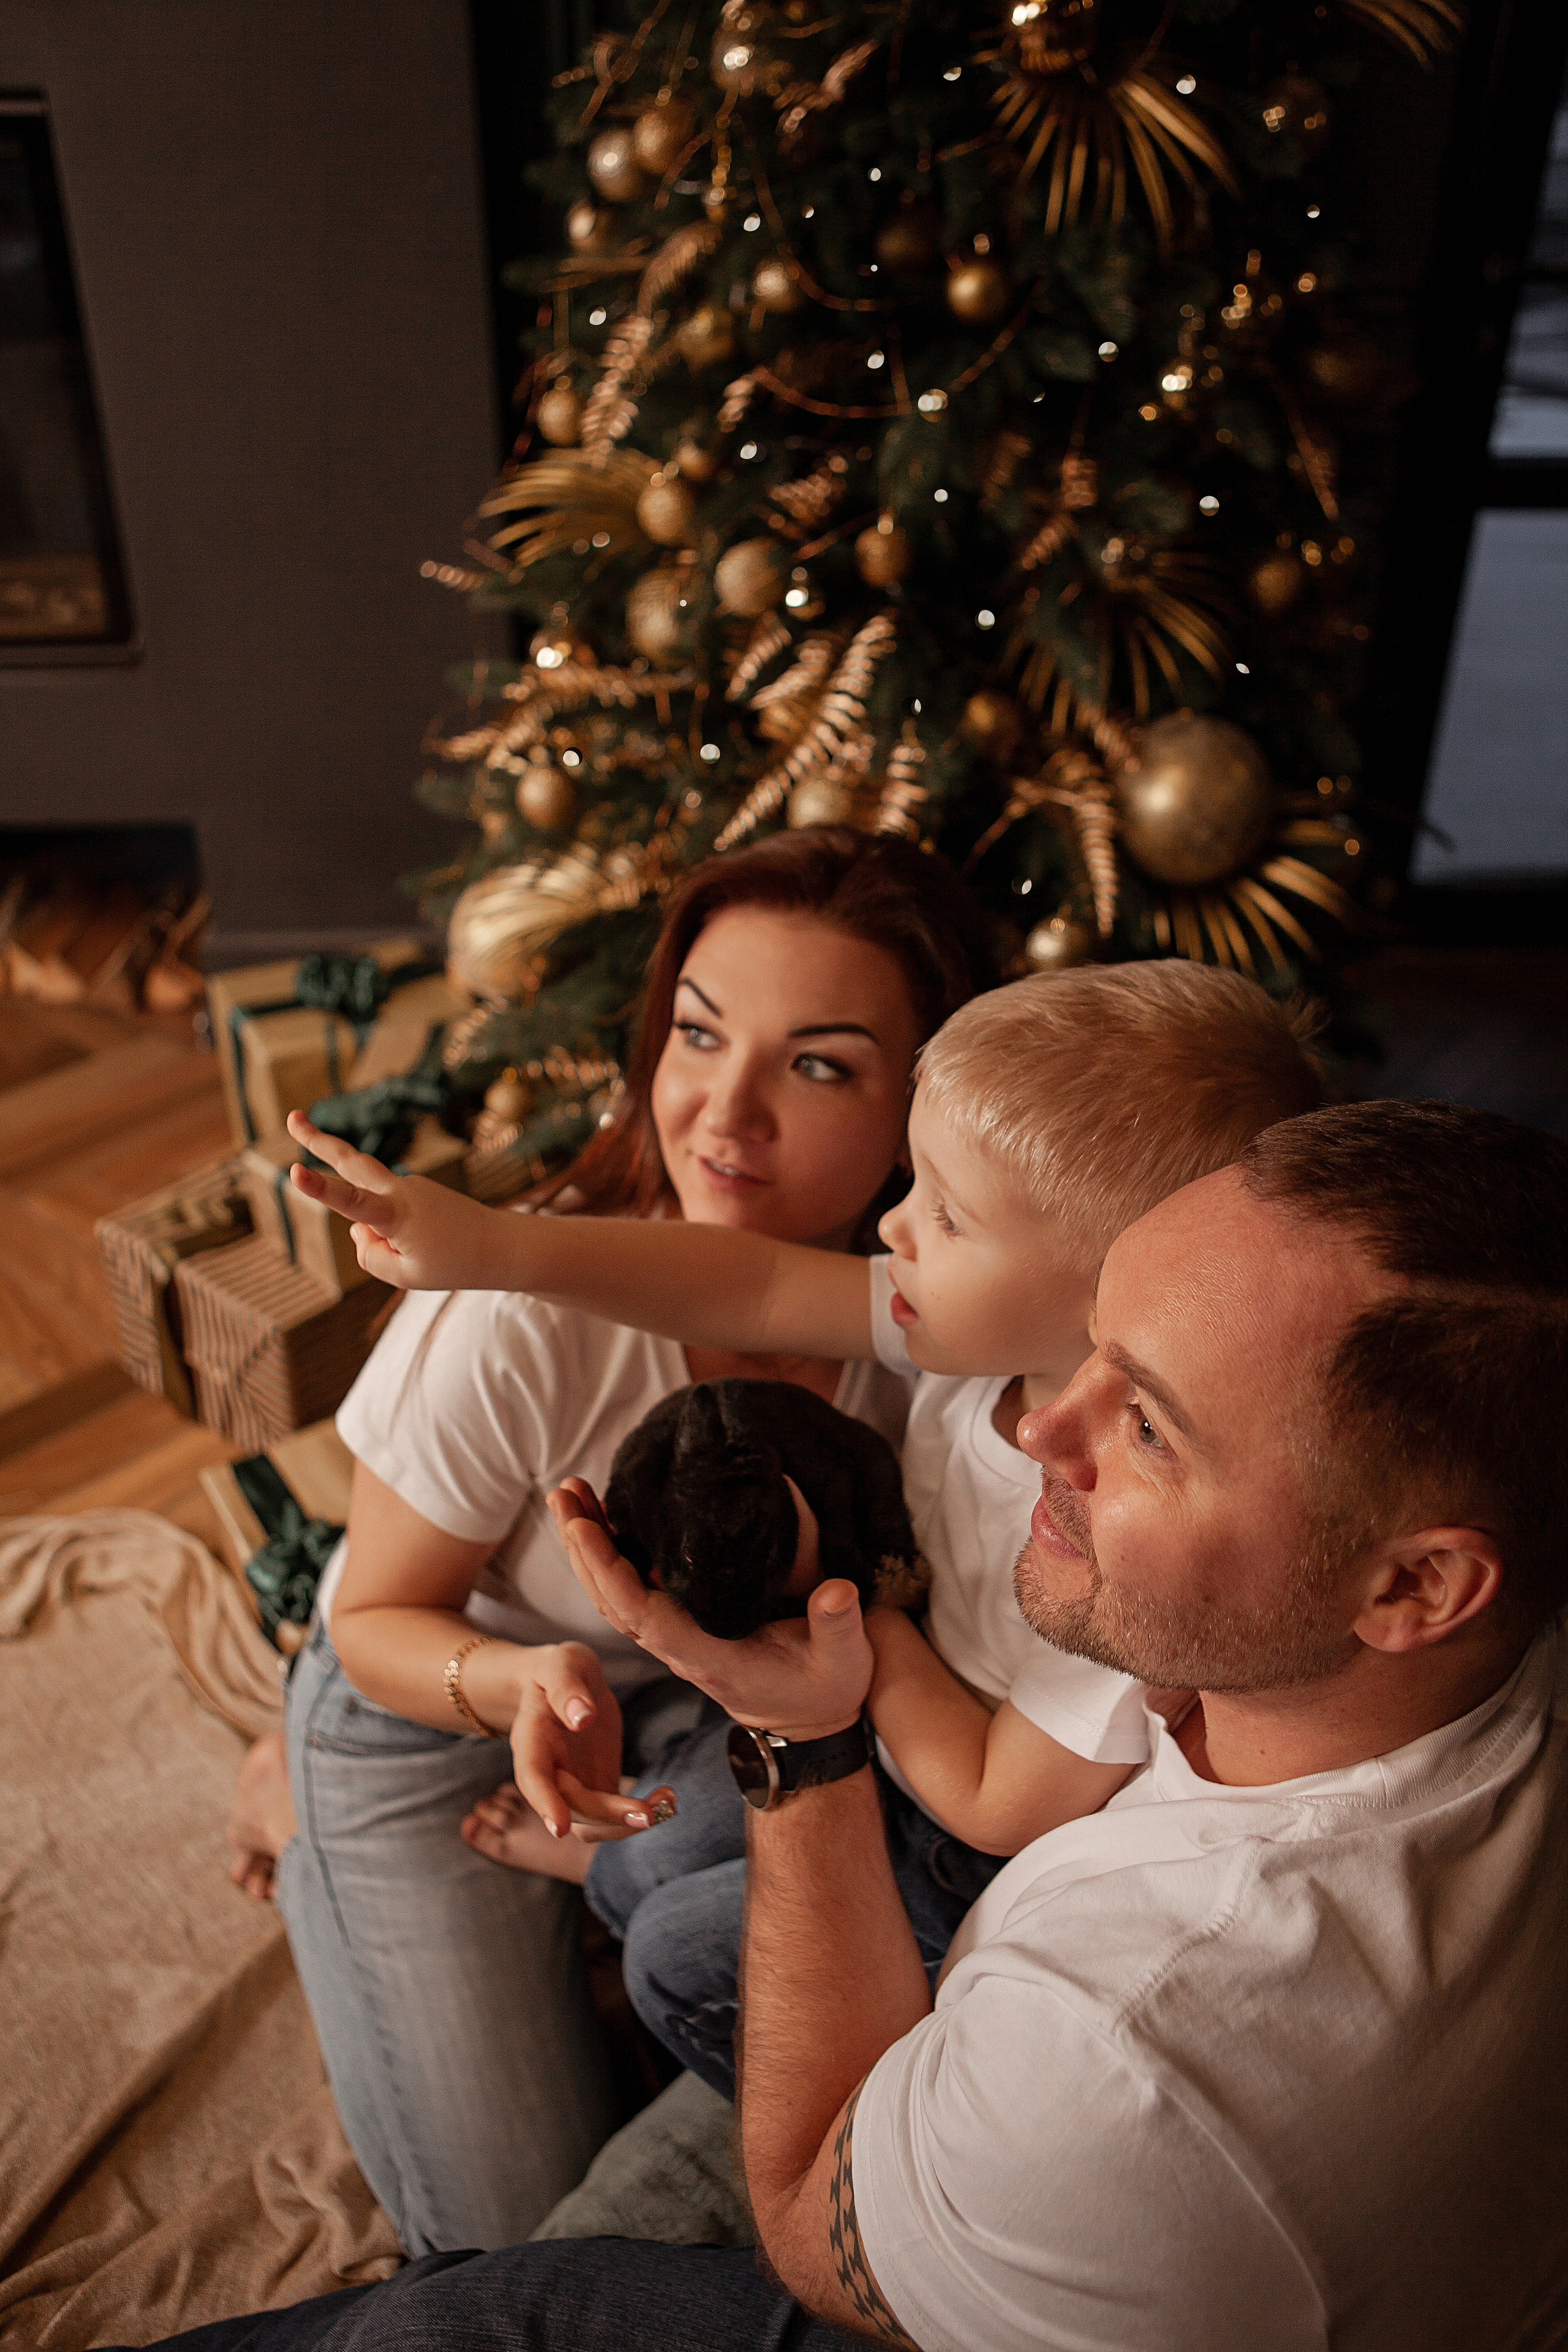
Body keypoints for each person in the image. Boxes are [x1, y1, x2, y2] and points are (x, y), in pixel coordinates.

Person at [120, 1099, 1568, 2351]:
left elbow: (811, 2216)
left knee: (460, 2302)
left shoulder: (1127, 2062)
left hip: (1006, 2173)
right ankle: (307, 1759)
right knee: (648, 1986)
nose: (1038, 1430)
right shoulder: (1473, 1625)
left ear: (1414, 1585)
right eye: (1094, 1351)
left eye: (1151, 1431)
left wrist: (800, 1741)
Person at [287, 962, 1325, 2095]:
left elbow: (996, 1803)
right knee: (654, 1860)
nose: (893, 1225)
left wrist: (859, 1613)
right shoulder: (970, 1333)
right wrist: (494, 1251)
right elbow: (754, 1286)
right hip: (877, 1725)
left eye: (946, 1214)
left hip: (959, 1831)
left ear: (1110, 1295)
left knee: (675, 1954)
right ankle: (592, 1883)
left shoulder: (1130, 1532)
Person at [230, 826, 997, 2255]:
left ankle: (559, 1891)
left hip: (709, 1707)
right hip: (441, 1707)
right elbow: (381, 1618)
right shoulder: (518, 1310)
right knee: (513, 2244)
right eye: (698, 1036)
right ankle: (311, 1799)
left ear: (921, 1105)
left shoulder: (933, 1337)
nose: (725, 1112)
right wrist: (522, 1689)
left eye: (817, 1064)